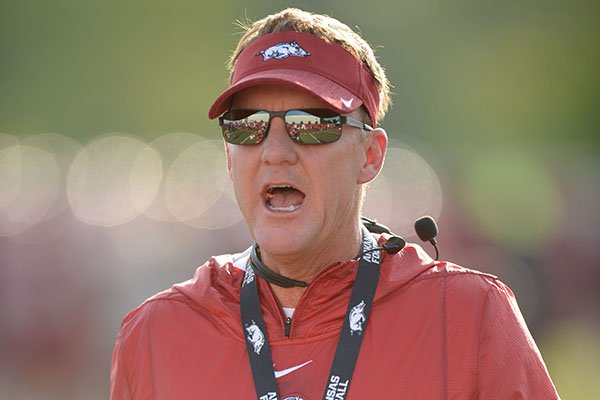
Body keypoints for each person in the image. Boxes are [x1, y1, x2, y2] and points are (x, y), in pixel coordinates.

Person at [110, 8, 560, 399]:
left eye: (311, 124)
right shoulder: (155, 334)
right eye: (247, 125)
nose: (276, 151)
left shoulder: (469, 318)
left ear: (370, 156)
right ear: (229, 155)